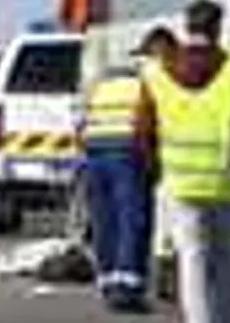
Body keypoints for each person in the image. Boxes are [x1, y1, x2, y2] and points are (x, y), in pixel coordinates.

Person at [135, 0, 230, 323]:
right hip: (225, 180)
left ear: (188, 27)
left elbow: (143, 131)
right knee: (228, 260)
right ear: (218, 28)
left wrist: (152, 171)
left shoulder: (157, 74)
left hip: (181, 183)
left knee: (192, 261)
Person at [80, 25, 177, 312]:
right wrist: (155, 163)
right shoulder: (156, 77)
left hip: (94, 151)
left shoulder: (108, 82)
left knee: (104, 220)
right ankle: (128, 288)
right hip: (127, 150)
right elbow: (155, 122)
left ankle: (109, 283)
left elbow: (82, 118)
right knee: (132, 219)